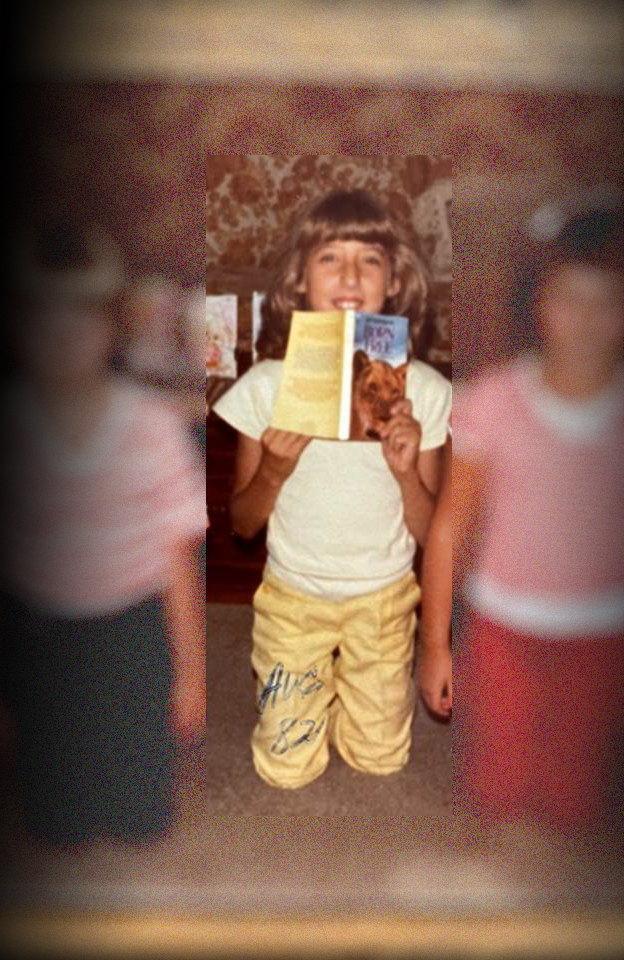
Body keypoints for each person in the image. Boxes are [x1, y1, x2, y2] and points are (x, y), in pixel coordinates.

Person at [417, 207, 624, 848]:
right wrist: (437, 638)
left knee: (575, 797)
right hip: (504, 624)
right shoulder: (491, 403)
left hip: (605, 630)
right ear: (538, 306)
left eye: (607, 304)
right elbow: (451, 527)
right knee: (499, 782)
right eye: (568, 301)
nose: (585, 322)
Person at [212, 189, 451, 789]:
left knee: (380, 759)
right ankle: (304, 696)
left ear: (393, 280)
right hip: (295, 596)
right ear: (299, 279)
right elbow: (241, 525)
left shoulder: (424, 391)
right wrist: (272, 470)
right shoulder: (268, 386)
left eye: (369, 258)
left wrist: (403, 470)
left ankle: (351, 700)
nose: (350, 274)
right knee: (285, 770)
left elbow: (433, 534)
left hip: (385, 597)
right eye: (329, 258)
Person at [0, 223, 207, 843]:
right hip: (38, 630)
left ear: (112, 330)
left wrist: (190, 672)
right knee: (55, 817)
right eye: (44, 320)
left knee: (137, 811)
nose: (63, 339)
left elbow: (178, 559)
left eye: (82, 321)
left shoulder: (154, 426)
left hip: (132, 629)